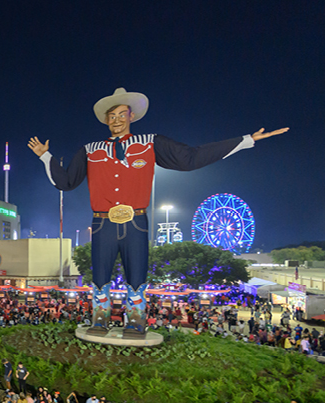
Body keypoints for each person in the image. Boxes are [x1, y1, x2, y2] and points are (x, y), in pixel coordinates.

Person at [29, 88, 287, 338]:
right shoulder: (89, 150)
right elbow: (66, 182)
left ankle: (136, 324)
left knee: (137, 275)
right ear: (106, 119)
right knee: (99, 276)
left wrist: (245, 141)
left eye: (121, 114)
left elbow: (190, 158)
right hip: (102, 223)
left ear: (132, 116)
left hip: (136, 221)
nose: (116, 120)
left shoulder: (151, 143)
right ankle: (99, 321)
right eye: (112, 116)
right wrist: (45, 157)